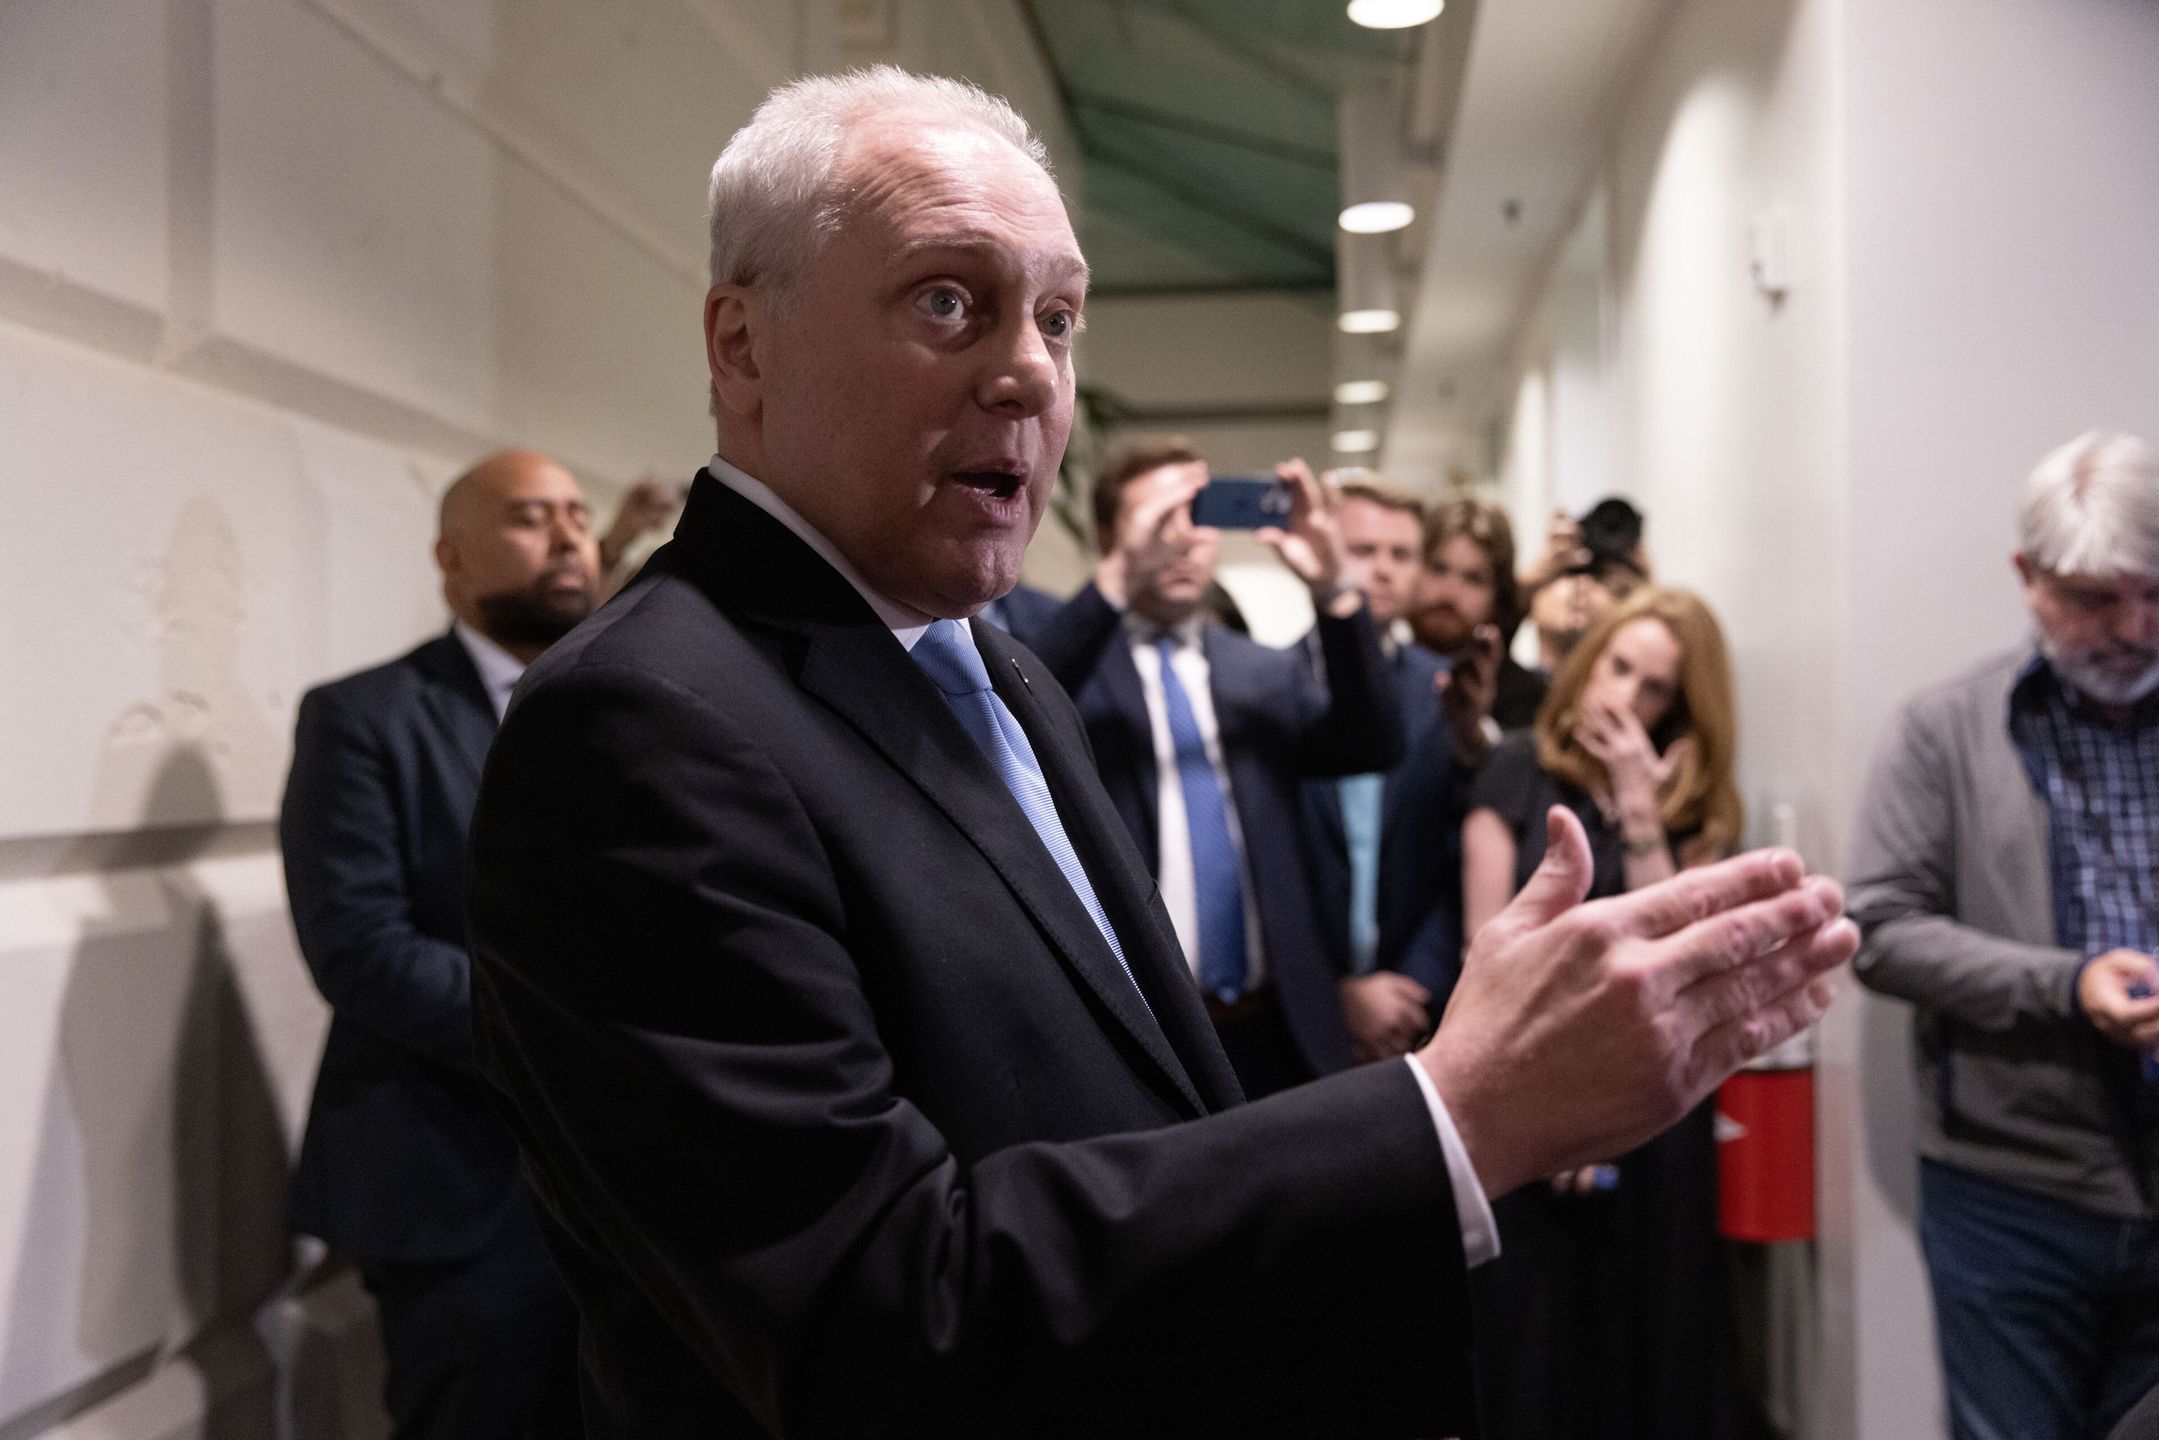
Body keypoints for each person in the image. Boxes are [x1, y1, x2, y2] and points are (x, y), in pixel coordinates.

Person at [462, 67, 1851, 1438]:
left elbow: (1132, 1124)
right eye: (946, 300)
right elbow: (875, 1319)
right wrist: (1453, 1115)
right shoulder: (641, 722)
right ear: (741, 345)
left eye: (1056, 317)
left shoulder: (988, 663)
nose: (1025, 371)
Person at [279, 449, 599, 1438]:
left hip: (620, 1185)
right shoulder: (365, 718)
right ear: (450, 558)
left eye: (578, 515)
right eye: (528, 516)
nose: (565, 535)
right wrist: (577, 1035)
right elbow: (360, 947)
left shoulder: (629, 707)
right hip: (461, 1186)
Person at [1850, 431, 2159, 1440]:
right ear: (2025, 579)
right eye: (2093, 598)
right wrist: (2065, 985)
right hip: (2010, 1192)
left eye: (2152, 592)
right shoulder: (1942, 729)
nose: (2134, 626)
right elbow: (1879, 927)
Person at [1460, 585, 1747, 1440]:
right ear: (1588, 660)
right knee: (1534, 1351)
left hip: (1655, 1109)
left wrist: (1638, 809)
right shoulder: (1512, 767)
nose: (1622, 697)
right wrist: (1557, 1105)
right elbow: (1491, 957)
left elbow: (1684, 957)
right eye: (1617, 667)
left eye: (1653, 687)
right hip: (1526, 1094)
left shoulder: (1691, 805)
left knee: (1649, 1351)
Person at [1026, 441, 1398, 1095]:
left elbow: (1369, 744)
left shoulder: (1259, 671)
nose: (1182, 542)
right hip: (1141, 1034)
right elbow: (1016, 720)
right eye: (1158, 522)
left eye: (1197, 518)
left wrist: (1336, 591)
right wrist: (1114, 582)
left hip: (1276, 1030)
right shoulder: (1072, 670)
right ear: (1112, 537)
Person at [1303, 479, 1486, 1062]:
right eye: (1362, 550)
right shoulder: (1266, 687)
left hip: (1417, 1011)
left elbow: (1457, 858)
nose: (1382, 570)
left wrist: (1410, 994)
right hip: (1300, 1014)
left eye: (1401, 554)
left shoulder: (1443, 693)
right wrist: (1333, 998)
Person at [1409, 497, 1547, 731]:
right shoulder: (1375, 667)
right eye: (1438, 569)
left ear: (1498, 596)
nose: (1449, 594)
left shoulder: (1525, 696)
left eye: (1474, 579)